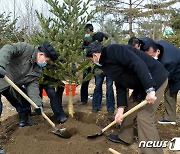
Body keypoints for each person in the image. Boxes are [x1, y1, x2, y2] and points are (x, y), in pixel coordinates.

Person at [86, 41, 168, 154]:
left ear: (95, 55)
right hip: (140, 85)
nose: (92, 61)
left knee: (144, 118)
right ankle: (125, 137)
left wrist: (150, 89)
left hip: (155, 79)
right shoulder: (105, 65)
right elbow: (120, 85)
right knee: (127, 110)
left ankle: (153, 152)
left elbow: (138, 63)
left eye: (91, 59)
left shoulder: (115, 50)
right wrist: (120, 109)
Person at [0, 41, 58, 127]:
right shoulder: (25, 49)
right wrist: (1, 65)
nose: (45, 64)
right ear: (41, 54)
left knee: (24, 103)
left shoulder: (37, 70)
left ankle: (24, 122)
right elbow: (8, 48)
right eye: (47, 61)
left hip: (12, 85)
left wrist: (37, 105)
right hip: (2, 76)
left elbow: (32, 86)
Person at [140, 37, 180, 125]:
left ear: (157, 51)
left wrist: (151, 89)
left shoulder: (168, 61)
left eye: (151, 56)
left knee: (170, 93)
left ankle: (170, 119)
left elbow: (164, 78)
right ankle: (170, 117)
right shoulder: (156, 46)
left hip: (177, 74)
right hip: (173, 68)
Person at [91, 32, 115, 113]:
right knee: (98, 86)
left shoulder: (109, 46)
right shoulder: (94, 45)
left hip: (108, 68)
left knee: (109, 87)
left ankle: (110, 108)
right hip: (99, 69)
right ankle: (96, 106)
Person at [80, 23, 94, 105]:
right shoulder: (84, 39)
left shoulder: (94, 39)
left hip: (95, 62)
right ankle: (83, 99)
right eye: (86, 32)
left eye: (88, 32)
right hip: (87, 62)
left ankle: (96, 101)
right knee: (85, 80)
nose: (87, 34)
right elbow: (81, 48)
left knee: (98, 82)